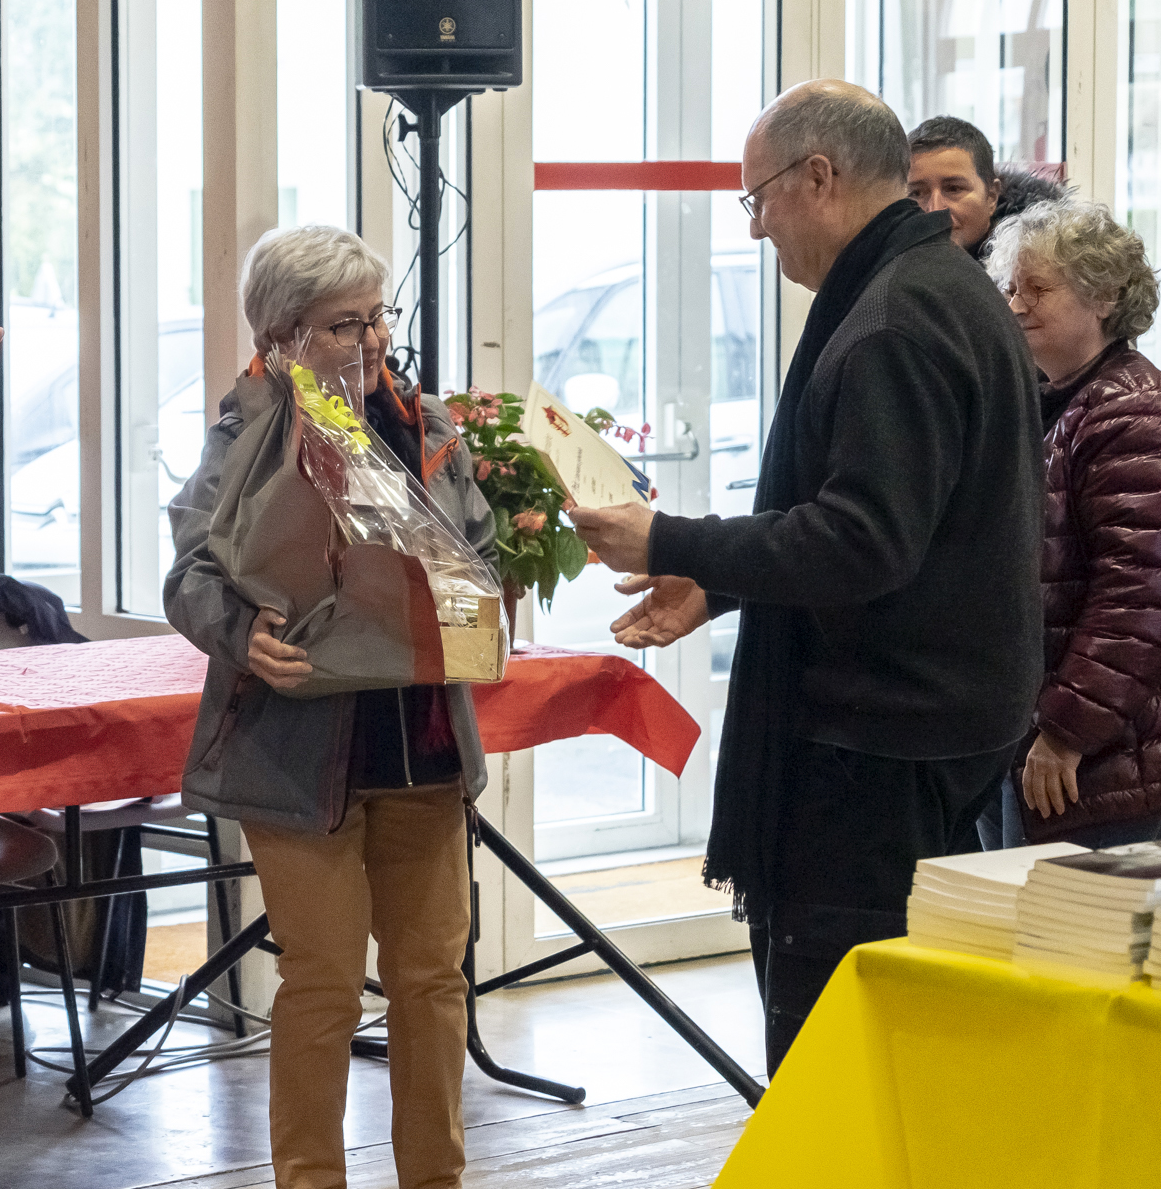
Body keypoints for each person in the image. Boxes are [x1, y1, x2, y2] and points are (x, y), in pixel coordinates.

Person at [570, 82, 1044, 1074]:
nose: (757, 230)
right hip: (930, 724)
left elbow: (865, 544)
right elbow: (895, 517)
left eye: (758, 201)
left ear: (819, 177)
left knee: (839, 1055)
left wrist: (674, 540)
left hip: (876, 744)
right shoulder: (934, 286)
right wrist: (725, 583)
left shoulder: (890, 322)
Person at [164, 226, 495, 1189]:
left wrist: (479, 561)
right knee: (323, 983)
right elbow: (190, 574)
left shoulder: (424, 425)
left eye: (377, 316)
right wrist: (242, 636)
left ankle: (436, 1179)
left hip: (421, 743)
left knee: (433, 980)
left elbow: (474, 553)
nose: (374, 341)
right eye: (345, 325)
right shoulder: (243, 434)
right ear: (284, 335)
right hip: (301, 746)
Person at [979, 200, 1161, 850]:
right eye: (1009, 287)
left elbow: (1139, 599)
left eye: (1037, 289)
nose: (1014, 306)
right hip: (1071, 742)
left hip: (1114, 755)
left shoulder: (1135, 416)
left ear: (1103, 297)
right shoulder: (1058, 402)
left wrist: (1067, 732)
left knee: (1064, 946)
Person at [906, 114, 1066, 259]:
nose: (935, 209)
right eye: (917, 193)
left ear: (991, 197)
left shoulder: (1038, 275)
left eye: (954, 189)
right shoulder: (890, 270)